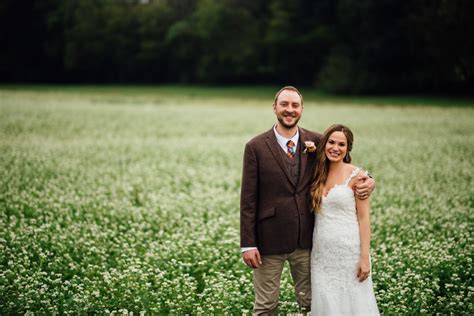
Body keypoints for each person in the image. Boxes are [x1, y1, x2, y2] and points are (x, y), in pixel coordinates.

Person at [240, 86, 375, 315]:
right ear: (275, 108)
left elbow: (342, 163)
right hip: (268, 241)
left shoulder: (317, 141)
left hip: (307, 241)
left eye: (295, 105)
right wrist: (248, 244)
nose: (289, 110)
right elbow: (248, 199)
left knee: (311, 304)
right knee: (265, 306)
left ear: (302, 109)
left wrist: (370, 179)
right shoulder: (255, 147)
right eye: (284, 104)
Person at [310, 124, 379, 315]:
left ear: (348, 149)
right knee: (326, 304)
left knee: (353, 303)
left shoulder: (358, 177)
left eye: (342, 144)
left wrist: (364, 258)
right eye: (331, 142)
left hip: (349, 254)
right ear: (324, 144)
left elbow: (364, 219)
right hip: (321, 256)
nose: (335, 148)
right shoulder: (317, 172)